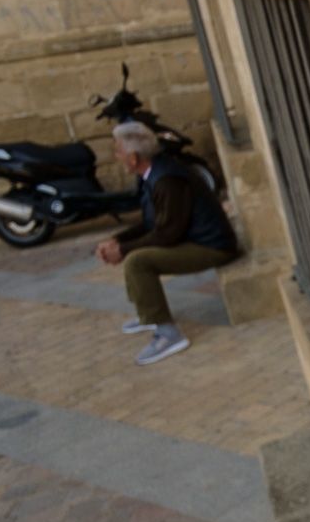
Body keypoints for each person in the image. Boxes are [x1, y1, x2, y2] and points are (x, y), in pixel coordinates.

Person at [96, 122, 238, 365]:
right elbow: (152, 223)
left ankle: (168, 334)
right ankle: (148, 314)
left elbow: (167, 234)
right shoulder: (154, 174)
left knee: (138, 262)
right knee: (134, 256)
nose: (116, 156)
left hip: (212, 246)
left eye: (118, 151)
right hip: (195, 240)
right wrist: (117, 240)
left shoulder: (167, 179)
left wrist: (123, 250)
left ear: (133, 157)